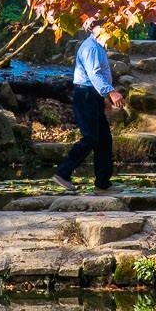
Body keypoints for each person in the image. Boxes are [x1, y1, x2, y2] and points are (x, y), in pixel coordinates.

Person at [53, 14, 123, 193]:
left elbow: (97, 77)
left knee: (104, 140)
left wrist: (104, 98)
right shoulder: (91, 48)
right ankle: (62, 173)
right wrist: (111, 92)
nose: (112, 31)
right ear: (97, 28)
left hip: (93, 95)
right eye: (108, 27)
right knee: (91, 137)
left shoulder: (99, 47)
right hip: (85, 96)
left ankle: (103, 184)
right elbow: (95, 75)